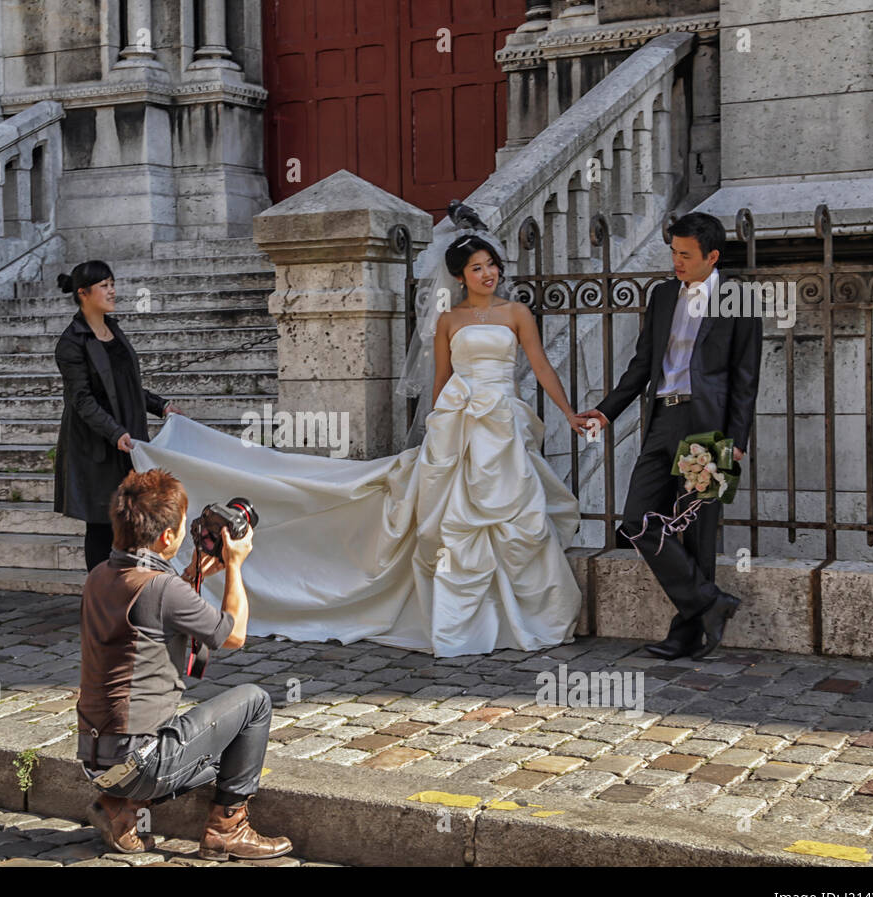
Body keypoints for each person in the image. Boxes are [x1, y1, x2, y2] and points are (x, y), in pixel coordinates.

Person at [129, 224, 585, 657]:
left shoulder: (517, 313)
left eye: (491, 265)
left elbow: (540, 367)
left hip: (503, 427)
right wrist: (439, 435)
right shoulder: (448, 319)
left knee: (517, 521)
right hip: (460, 427)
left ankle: (527, 617)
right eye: (477, 268)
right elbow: (442, 380)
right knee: (453, 526)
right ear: (461, 276)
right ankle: (463, 625)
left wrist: (568, 412)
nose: (489, 274)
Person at [77, 467, 292, 861]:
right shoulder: (162, 589)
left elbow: (152, 609)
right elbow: (233, 634)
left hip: (97, 762)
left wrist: (193, 573)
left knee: (206, 742)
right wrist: (237, 565)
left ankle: (119, 808)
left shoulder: (99, 576)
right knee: (254, 702)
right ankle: (227, 828)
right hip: (141, 764)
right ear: (167, 537)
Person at [579, 211, 763, 660]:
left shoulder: (741, 297)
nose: (676, 262)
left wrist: (737, 439)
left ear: (712, 256)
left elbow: (746, 377)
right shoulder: (663, 295)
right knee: (638, 520)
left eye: (686, 254)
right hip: (663, 419)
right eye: (673, 252)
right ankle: (708, 603)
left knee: (698, 532)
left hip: (711, 427)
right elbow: (642, 365)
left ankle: (686, 634)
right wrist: (605, 413)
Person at [53, 260, 185, 571]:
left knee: (134, 517)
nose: (113, 291)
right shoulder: (71, 343)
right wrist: (114, 432)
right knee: (101, 523)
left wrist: (161, 406)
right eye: (105, 286)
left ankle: (130, 586)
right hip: (96, 447)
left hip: (129, 440)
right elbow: (81, 401)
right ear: (83, 293)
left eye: (113, 284)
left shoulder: (114, 330)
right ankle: (101, 593)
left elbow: (126, 385)